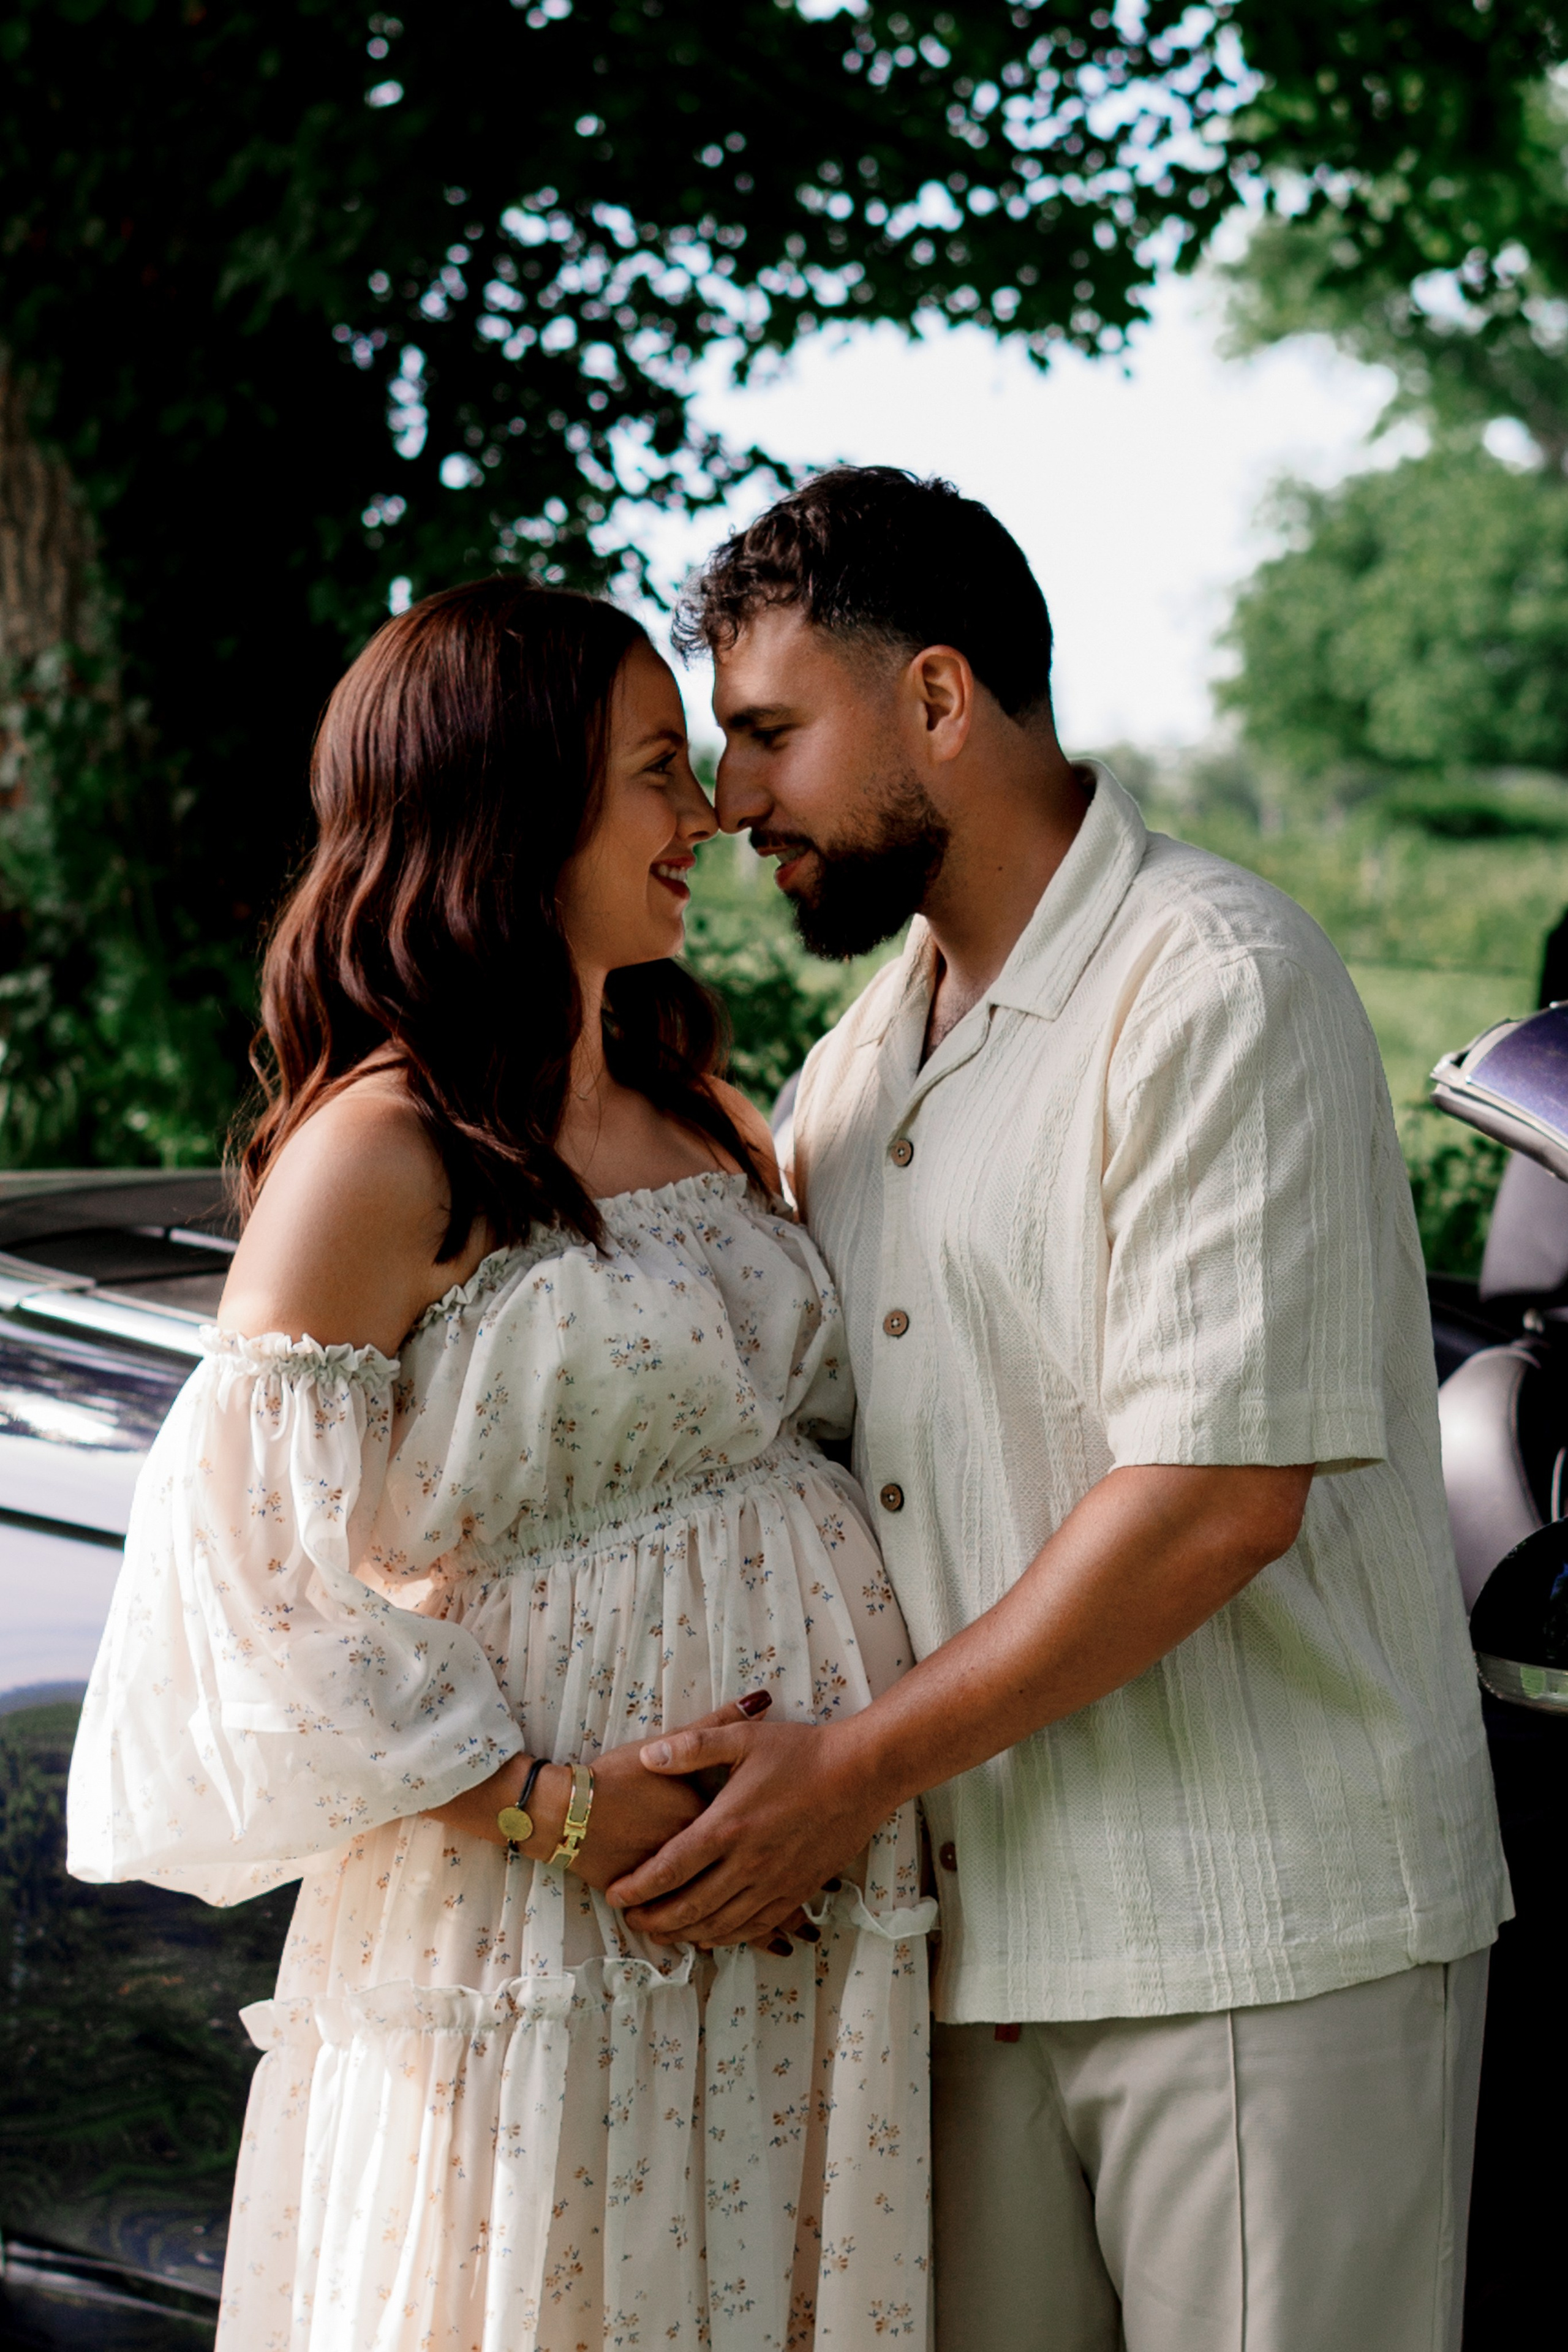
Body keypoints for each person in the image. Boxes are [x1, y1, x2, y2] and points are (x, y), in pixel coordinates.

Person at [608, 468, 1513, 2352]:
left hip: (1260, 1945)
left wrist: (844, 1778)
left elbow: (1212, 1502)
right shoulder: (863, 1061)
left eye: (770, 732)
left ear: (940, 698)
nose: (732, 800)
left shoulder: (1217, 984)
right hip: (961, 1959)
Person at [66, 581, 935, 2352]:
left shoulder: (694, 1099)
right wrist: (560, 1809)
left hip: (792, 1910)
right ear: (507, 806)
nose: (703, 818)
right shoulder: (379, 1152)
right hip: (541, 1930)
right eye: (652, 774)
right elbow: (240, 1605)